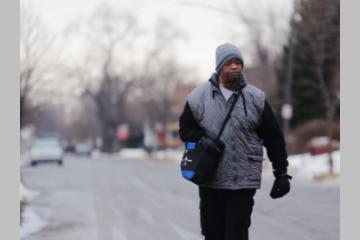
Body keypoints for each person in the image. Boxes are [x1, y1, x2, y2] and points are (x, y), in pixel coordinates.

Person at [178, 43, 292, 240]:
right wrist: (202, 140)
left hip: (242, 181)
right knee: (213, 234)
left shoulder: (256, 98)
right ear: (219, 67)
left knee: (236, 234)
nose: (235, 67)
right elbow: (185, 129)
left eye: (238, 62)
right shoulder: (199, 97)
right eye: (229, 63)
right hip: (210, 178)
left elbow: (273, 138)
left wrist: (281, 172)